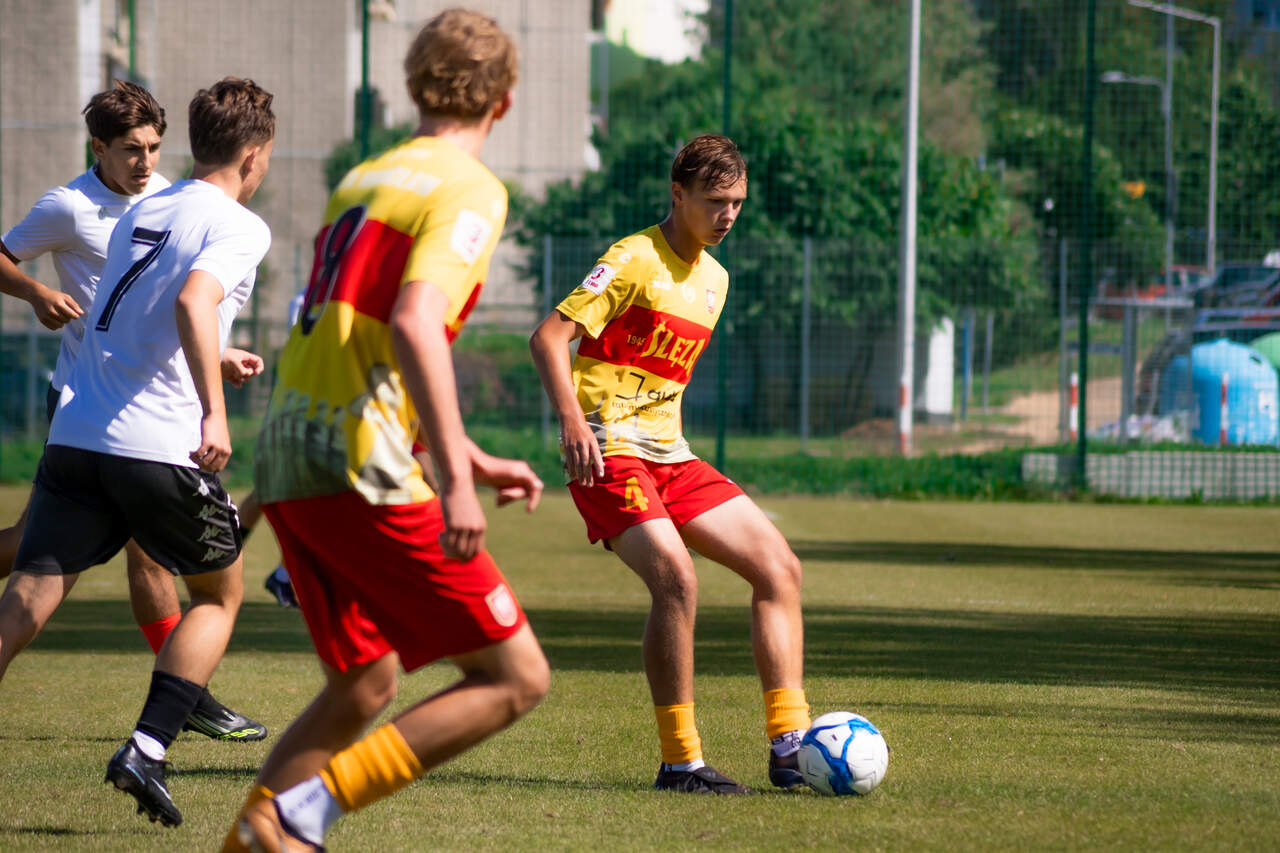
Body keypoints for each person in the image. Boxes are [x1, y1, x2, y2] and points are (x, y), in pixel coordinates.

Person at [224, 10, 547, 851]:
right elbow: (412, 324)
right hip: (357, 459)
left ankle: (256, 834)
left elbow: (356, 340)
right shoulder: (470, 187)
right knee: (516, 675)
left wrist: (463, 452)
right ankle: (306, 810)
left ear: (413, 84)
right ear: (505, 99)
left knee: (364, 681)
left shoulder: (364, 178)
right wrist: (456, 484)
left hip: (288, 448)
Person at [0, 76, 277, 827]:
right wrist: (214, 411)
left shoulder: (145, 208)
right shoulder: (241, 225)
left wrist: (215, 355)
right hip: (156, 443)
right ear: (254, 156)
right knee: (218, 596)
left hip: (77, 430)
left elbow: (133, 317)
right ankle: (147, 749)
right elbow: (192, 300)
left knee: (33, 586)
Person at [529, 134, 811, 795]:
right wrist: (572, 420)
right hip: (608, 448)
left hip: (670, 454)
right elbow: (548, 337)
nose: (728, 214)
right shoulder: (631, 258)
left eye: (737, 202)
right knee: (677, 580)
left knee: (779, 568)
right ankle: (681, 763)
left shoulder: (717, 280)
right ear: (678, 195)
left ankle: (791, 745)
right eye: (715, 201)